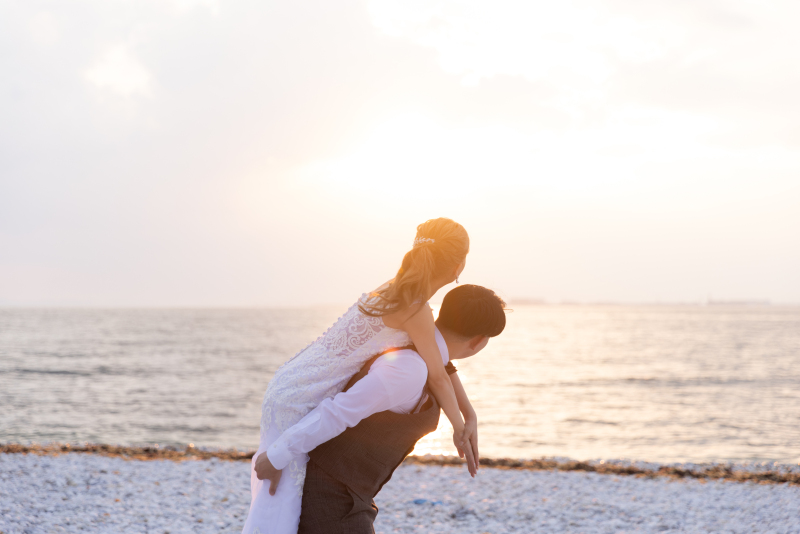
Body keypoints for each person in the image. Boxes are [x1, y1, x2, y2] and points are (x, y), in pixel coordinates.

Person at [242, 218, 479, 534]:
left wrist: (468, 414)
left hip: (289, 385)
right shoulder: (416, 309)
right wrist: (460, 426)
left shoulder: (395, 289)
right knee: (280, 510)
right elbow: (436, 375)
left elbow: (438, 360)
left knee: (276, 502)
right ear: (458, 266)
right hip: (303, 399)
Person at [276, 285, 507, 533]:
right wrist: (277, 454)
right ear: (478, 342)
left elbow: (443, 366)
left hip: (349, 492)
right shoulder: (408, 368)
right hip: (330, 494)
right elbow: (338, 411)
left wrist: (468, 414)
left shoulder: (421, 348)